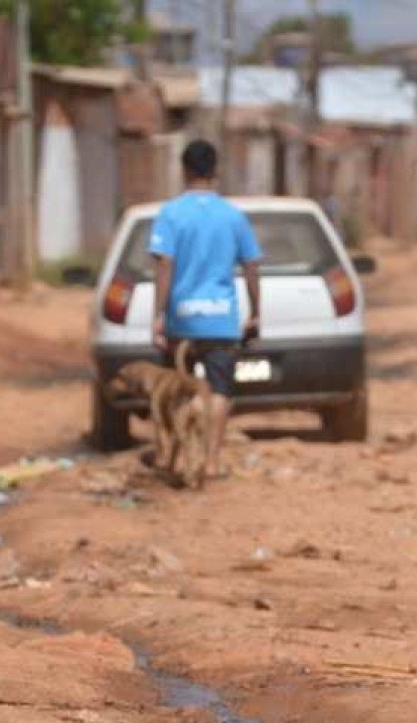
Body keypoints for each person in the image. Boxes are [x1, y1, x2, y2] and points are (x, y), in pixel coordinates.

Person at [149, 139, 262, 479]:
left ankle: (181, 458)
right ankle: (211, 461)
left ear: (183, 171)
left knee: (179, 390)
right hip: (221, 321)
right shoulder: (233, 216)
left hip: (181, 320)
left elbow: (164, 265)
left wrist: (158, 315)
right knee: (220, 390)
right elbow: (252, 265)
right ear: (216, 171)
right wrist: (256, 310)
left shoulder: (169, 214)